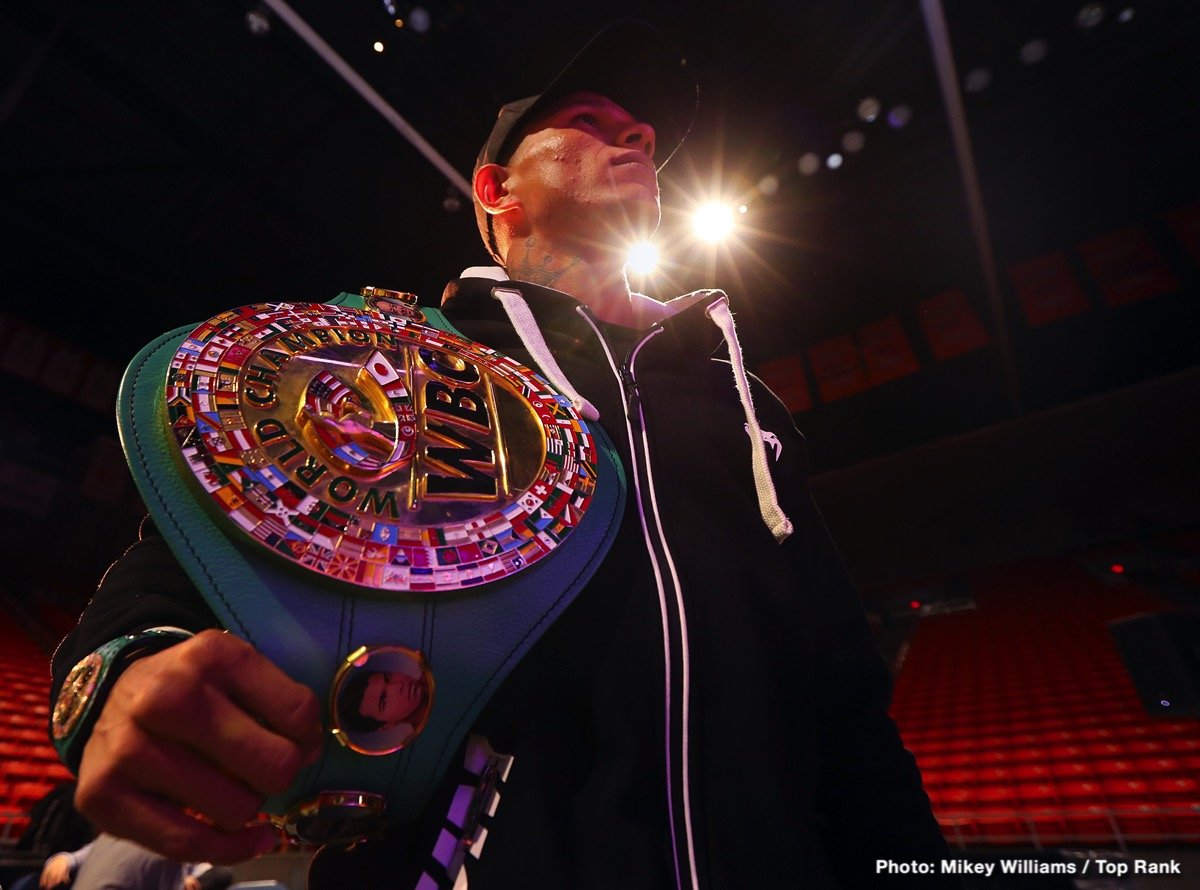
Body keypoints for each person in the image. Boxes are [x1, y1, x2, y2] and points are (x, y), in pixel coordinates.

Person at [50, 20, 959, 888]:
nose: (633, 136)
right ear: (497, 193)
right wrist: (126, 667)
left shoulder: (745, 409)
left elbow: (847, 715)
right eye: (588, 122)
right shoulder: (397, 360)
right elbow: (196, 554)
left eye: (640, 130)